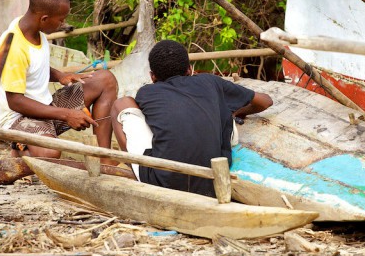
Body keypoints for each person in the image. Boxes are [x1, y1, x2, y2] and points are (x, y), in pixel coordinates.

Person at [110, 39, 273, 197]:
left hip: (163, 184)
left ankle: (117, 164)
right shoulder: (211, 81)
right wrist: (238, 111)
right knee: (221, 112)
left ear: (152, 76)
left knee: (120, 104)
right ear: (189, 69)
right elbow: (265, 101)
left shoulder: (146, 92)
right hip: (213, 178)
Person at [0, 0, 118, 164]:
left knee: (106, 80)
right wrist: (67, 115)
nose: (63, 24)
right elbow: (15, 101)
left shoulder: (32, 27)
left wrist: (60, 76)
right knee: (50, 154)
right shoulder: (14, 47)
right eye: (60, 20)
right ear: (43, 18)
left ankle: (104, 158)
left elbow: (33, 67)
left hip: (45, 108)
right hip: (17, 119)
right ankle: (20, 149)